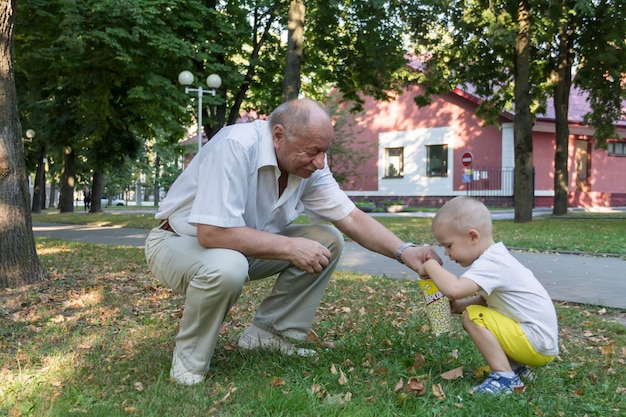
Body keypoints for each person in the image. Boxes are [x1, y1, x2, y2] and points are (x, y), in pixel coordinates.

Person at [145, 98, 442, 385]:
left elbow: (349, 217)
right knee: (228, 267)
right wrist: (290, 247)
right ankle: (189, 362)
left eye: (325, 151)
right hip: (178, 242)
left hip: (236, 247)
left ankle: (268, 335)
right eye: (313, 151)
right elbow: (212, 233)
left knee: (328, 239)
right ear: (278, 135)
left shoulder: (309, 166)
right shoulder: (235, 146)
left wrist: (405, 252)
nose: (320, 162)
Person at [418, 196, 559, 394]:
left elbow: (454, 289)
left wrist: (430, 265)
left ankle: (505, 377)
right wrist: (458, 307)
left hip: (535, 343)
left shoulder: (491, 263)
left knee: (473, 317)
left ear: (473, 237)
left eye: (449, 245)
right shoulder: (496, 258)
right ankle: (515, 369)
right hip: (539, 342)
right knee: (477, 311)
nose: (447, 253)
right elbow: (488, 302)